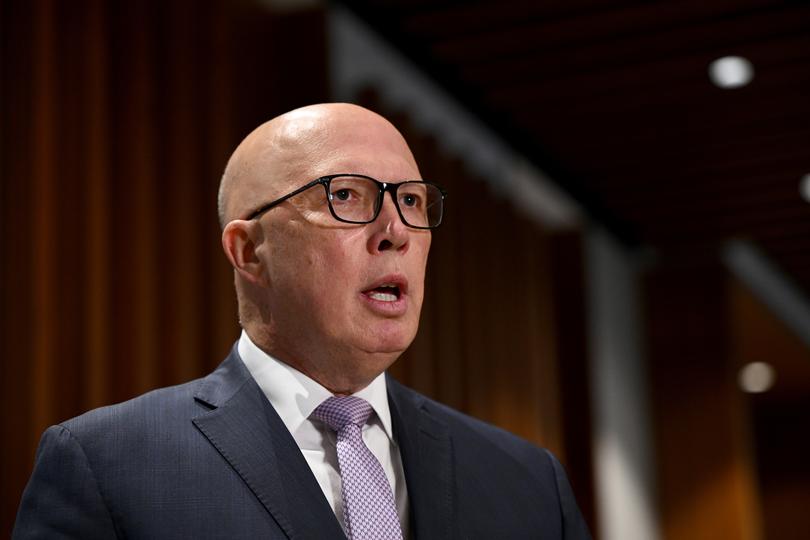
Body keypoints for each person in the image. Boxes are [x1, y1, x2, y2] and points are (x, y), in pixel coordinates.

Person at [13, 103, 591, 539]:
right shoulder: (106, 464)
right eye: (346, 195)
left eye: (411, 201)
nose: (395, 231)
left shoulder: (528, 482)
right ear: (248, 251)